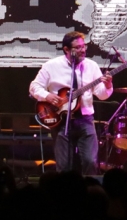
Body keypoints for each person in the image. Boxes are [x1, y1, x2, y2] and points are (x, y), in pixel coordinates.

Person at [29, 31, 113, 174]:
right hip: (61, 121)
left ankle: (90, 187)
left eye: (84, 46)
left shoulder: (92, 66)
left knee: (90, 161)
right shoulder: (51, 66)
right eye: (78, 47)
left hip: (85, 120)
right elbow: (34, 87)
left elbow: (102, 95)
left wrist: (108, 85)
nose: (83, 50)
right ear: (66, 49)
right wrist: (47, 96)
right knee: (64, 165)